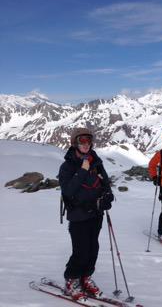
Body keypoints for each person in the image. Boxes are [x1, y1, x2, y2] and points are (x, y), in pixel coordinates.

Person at [57, 128, 114, 301]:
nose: (85, 144)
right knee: (81, 251)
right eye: (82, 140)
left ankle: (85, 277)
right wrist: (82, 170)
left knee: (93, 249)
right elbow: (68, 191)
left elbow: (105, 184)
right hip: (78, 215)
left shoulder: (96, 162)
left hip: (96, 214)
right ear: (75, 142)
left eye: (88, 140)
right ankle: (72, 279)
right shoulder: (68, 166)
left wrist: (108, 197)